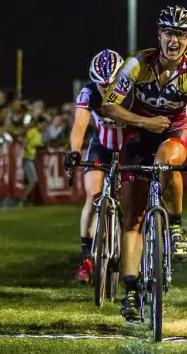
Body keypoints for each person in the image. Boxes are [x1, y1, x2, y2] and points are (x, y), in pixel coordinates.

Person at [102, 5, 187, 321]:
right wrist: (143, 122)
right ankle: (131, 290)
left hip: (176, 129)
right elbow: (109, 107)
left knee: (166, 162)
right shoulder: (136, 64)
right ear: (159, 35)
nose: (174, 41)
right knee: (133, 216)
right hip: (138, 131)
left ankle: (175, 225)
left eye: (181, 35)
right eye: (169, 33)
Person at [64, 49, 126, 285]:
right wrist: (74, 151)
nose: (106, 90)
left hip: (129, 146)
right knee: (93, 194)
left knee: (134, 198)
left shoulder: (133, 91)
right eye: (102, 85)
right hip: (102, 144)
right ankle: (86, 259)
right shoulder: (88, 92)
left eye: (111, 85)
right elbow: (80, 125)